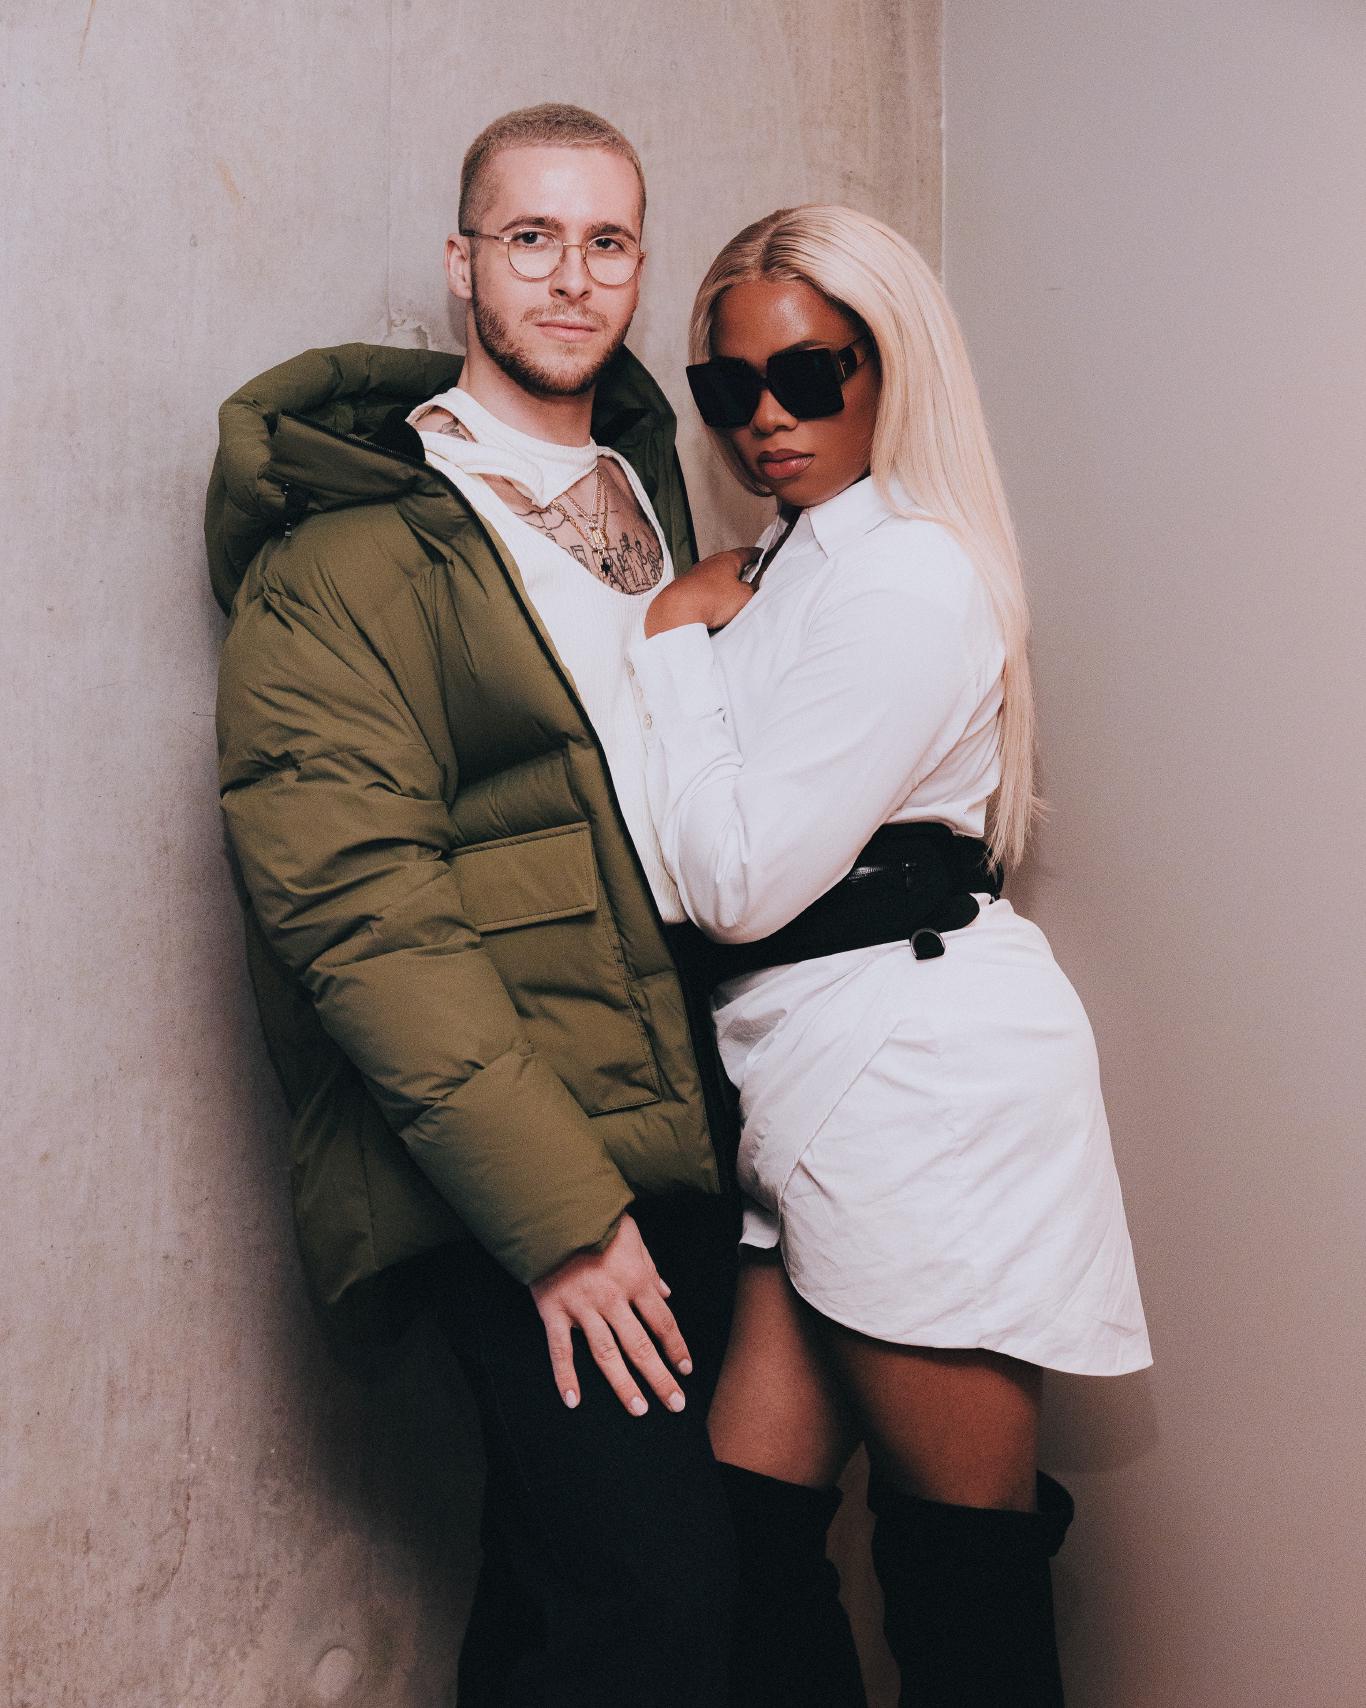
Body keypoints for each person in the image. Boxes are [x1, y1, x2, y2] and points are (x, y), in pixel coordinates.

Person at [208, 104, 741, 1708]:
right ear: (460, 267)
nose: (569, 278)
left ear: (638, 267)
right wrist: (560, 1221)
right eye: (529, 238)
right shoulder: (346, 550)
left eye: (605, 242)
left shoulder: (656, 499)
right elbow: (361, 914)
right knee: (657, 1615)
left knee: (568, 1599)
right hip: (529, 1165)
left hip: (687, 1115)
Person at [628, 204, 1152, 1708]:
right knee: (743, 1541)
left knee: (958, 1573)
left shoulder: (903, 577)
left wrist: (668, 638)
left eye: (810, 376)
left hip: (916, 1079)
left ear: (890, 364)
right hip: (811, 1071)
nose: (766, 421)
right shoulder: (789, 566)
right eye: (726, 392)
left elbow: (729, 879)